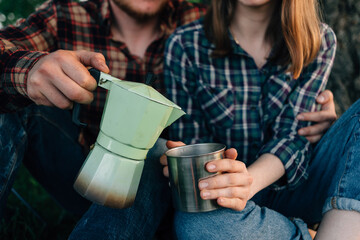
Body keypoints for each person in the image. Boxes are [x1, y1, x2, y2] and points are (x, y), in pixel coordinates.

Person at [0, 0, 336, 238]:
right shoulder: (65, 14)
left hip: (160, 186)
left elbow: (290, 120)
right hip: (78, 164)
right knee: (8, 97)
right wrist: (27, 71)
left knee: (155, 150)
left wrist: (324, 122)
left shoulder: (202, 20)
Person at [160, 0, 360, 239]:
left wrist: (249, 182)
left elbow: (293, 137)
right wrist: (200, 170)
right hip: (226, 202)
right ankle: (307, 234)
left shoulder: (317, 38)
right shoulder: (184, 45)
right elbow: (194, 151)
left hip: (300, 187)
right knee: (194, 221)